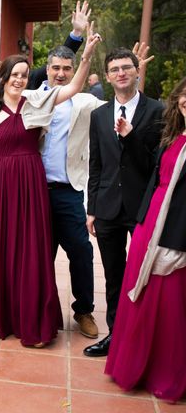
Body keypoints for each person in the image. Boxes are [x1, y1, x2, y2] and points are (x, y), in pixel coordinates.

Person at [0, 29, 101, 347]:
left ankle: (35, 318)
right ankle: (1, 316)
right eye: (15, 74)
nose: (20, 79)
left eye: (25, 74)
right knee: (0, 249)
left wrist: (86, 54)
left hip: (31, 186)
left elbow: (75, 86)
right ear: (6, 76)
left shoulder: (38, 101)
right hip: (0, 186)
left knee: (29, 253)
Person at [104, 77, 186, 402]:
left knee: (168, 304)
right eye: (184, 99)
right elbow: (153, 170)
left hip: (176, 229)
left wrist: (180, 243)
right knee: (137, 296)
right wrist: (129, 137)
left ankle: (164, 373)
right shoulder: (173, 134)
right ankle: (135, 367)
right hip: (150, 221)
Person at [83, 48, 164, 357]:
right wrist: (92, 208)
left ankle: (143, 340)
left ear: (136, 71)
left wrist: (131, 138)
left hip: (142, 207)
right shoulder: (99, 115)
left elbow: (155, 165)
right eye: (115, 69)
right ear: (107, 76)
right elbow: (96, 164)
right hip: (106, 207)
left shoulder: (156, 111)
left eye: (126, 67)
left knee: (144, 275)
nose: (121, 73)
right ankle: (115, 337)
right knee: (114, 276)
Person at [39, 45, 104, 339]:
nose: (61, 73)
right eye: (56, 67)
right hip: (34, 191)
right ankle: (43, 310)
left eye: (67, 68)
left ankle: (83, 310)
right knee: (39, 254)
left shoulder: (86, 101)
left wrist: (135, 75)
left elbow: (122, 107)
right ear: (47, 68)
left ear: (74, 69)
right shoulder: (30, 97)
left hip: (68, 190)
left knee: (80, 250)